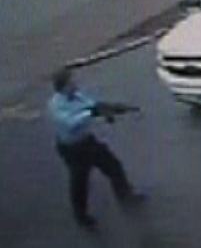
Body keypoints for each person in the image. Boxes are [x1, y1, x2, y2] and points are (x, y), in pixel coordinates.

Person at [47, 68, 146, 229]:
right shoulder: (55, 105)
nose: (75, 84)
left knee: (113, 166)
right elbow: (70, 123)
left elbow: (93, 105)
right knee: (80, 182)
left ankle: (126, 196)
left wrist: (113, 109)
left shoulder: (77, 95)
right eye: (71, 82)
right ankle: (81, 216)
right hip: (72, 149)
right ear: (63, 86)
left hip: (87, 142)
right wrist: (92, 113)